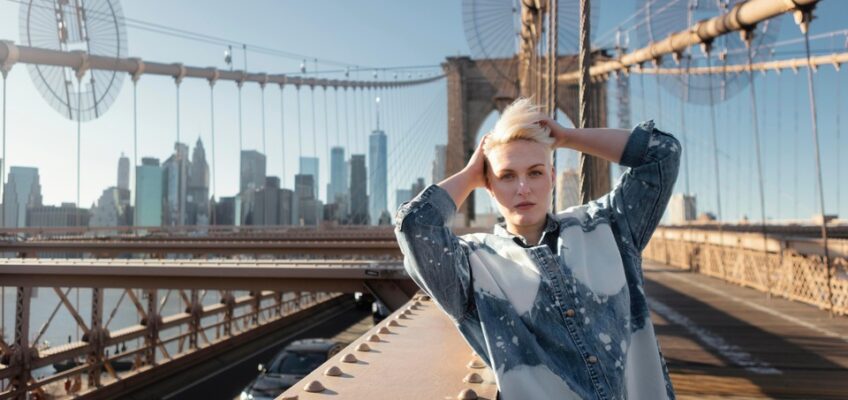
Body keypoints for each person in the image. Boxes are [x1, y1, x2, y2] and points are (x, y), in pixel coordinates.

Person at [394, 98, 680, 399]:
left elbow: (662, 153)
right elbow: (416, 226)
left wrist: (568, 137)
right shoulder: (473, 265)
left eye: (535, 172)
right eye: (507, 176)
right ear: (488, 186)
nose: (523, 188)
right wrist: (469, 175)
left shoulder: (608, 225)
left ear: (552, 177)